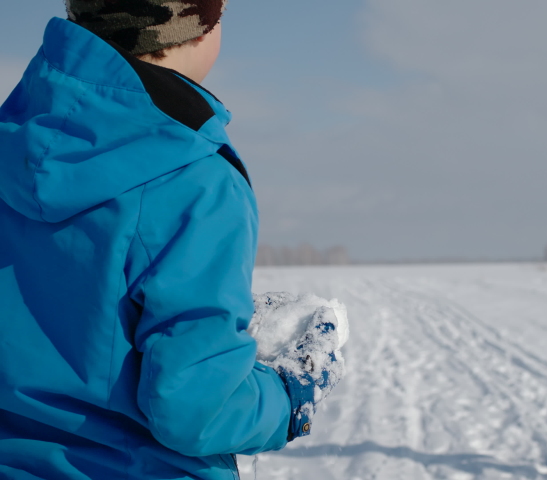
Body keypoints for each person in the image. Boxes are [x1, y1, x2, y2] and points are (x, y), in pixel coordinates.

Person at [0, 2, 341, 478]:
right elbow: (196, 409)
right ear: (198, 27)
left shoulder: (12, 141)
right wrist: (289, 396)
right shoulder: (194, 180)